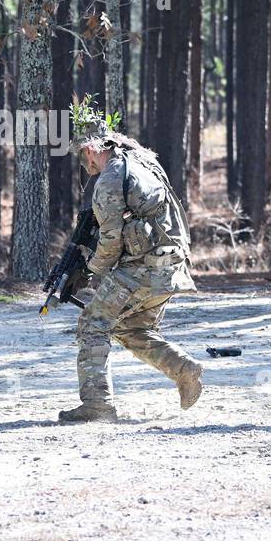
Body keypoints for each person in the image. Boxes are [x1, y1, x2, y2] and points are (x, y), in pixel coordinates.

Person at [57, 103, 204, 423]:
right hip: (170, 264)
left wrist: (89, 271)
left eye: (84, 153)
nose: (85, 162)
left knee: (92, 324)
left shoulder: (110, 180)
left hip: (143, 268)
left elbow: (110, 242)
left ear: (94, 147)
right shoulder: (140, 159)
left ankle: (97, 405)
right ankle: (184, 370)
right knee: (129, 327)